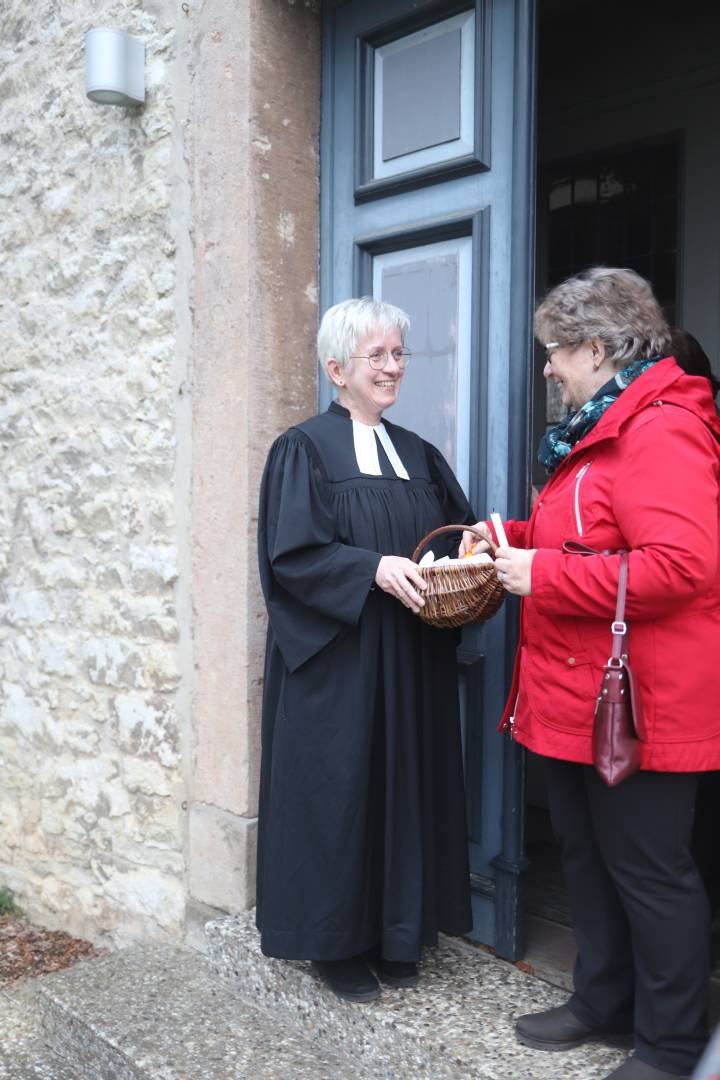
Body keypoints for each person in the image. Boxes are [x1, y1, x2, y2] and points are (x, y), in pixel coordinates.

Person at [462, 268, 720, 1079]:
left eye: (554, 352)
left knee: (650, 874)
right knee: (585, 857)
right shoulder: (596, 425)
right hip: (576, 690)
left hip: (642, 703)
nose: (546, 367)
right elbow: (577, 533)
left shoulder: (663, 429)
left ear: (598, 348)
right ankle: (603, 1005)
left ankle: (671, 1043)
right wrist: (504, 537)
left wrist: (545, 577)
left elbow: (685, 565)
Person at [256, 297, 475, 1004]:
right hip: (341, 659)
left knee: (404, 783)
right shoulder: (303, 449)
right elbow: (291, 557)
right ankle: (336, 942)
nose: (392, 367)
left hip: (409, 654)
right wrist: (370, 569)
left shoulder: (418, 453)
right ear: (336, 368)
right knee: (342, 791)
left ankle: (398, 931)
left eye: (399, 354)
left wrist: (467, 551)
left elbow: (451, 535)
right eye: (377, 355)